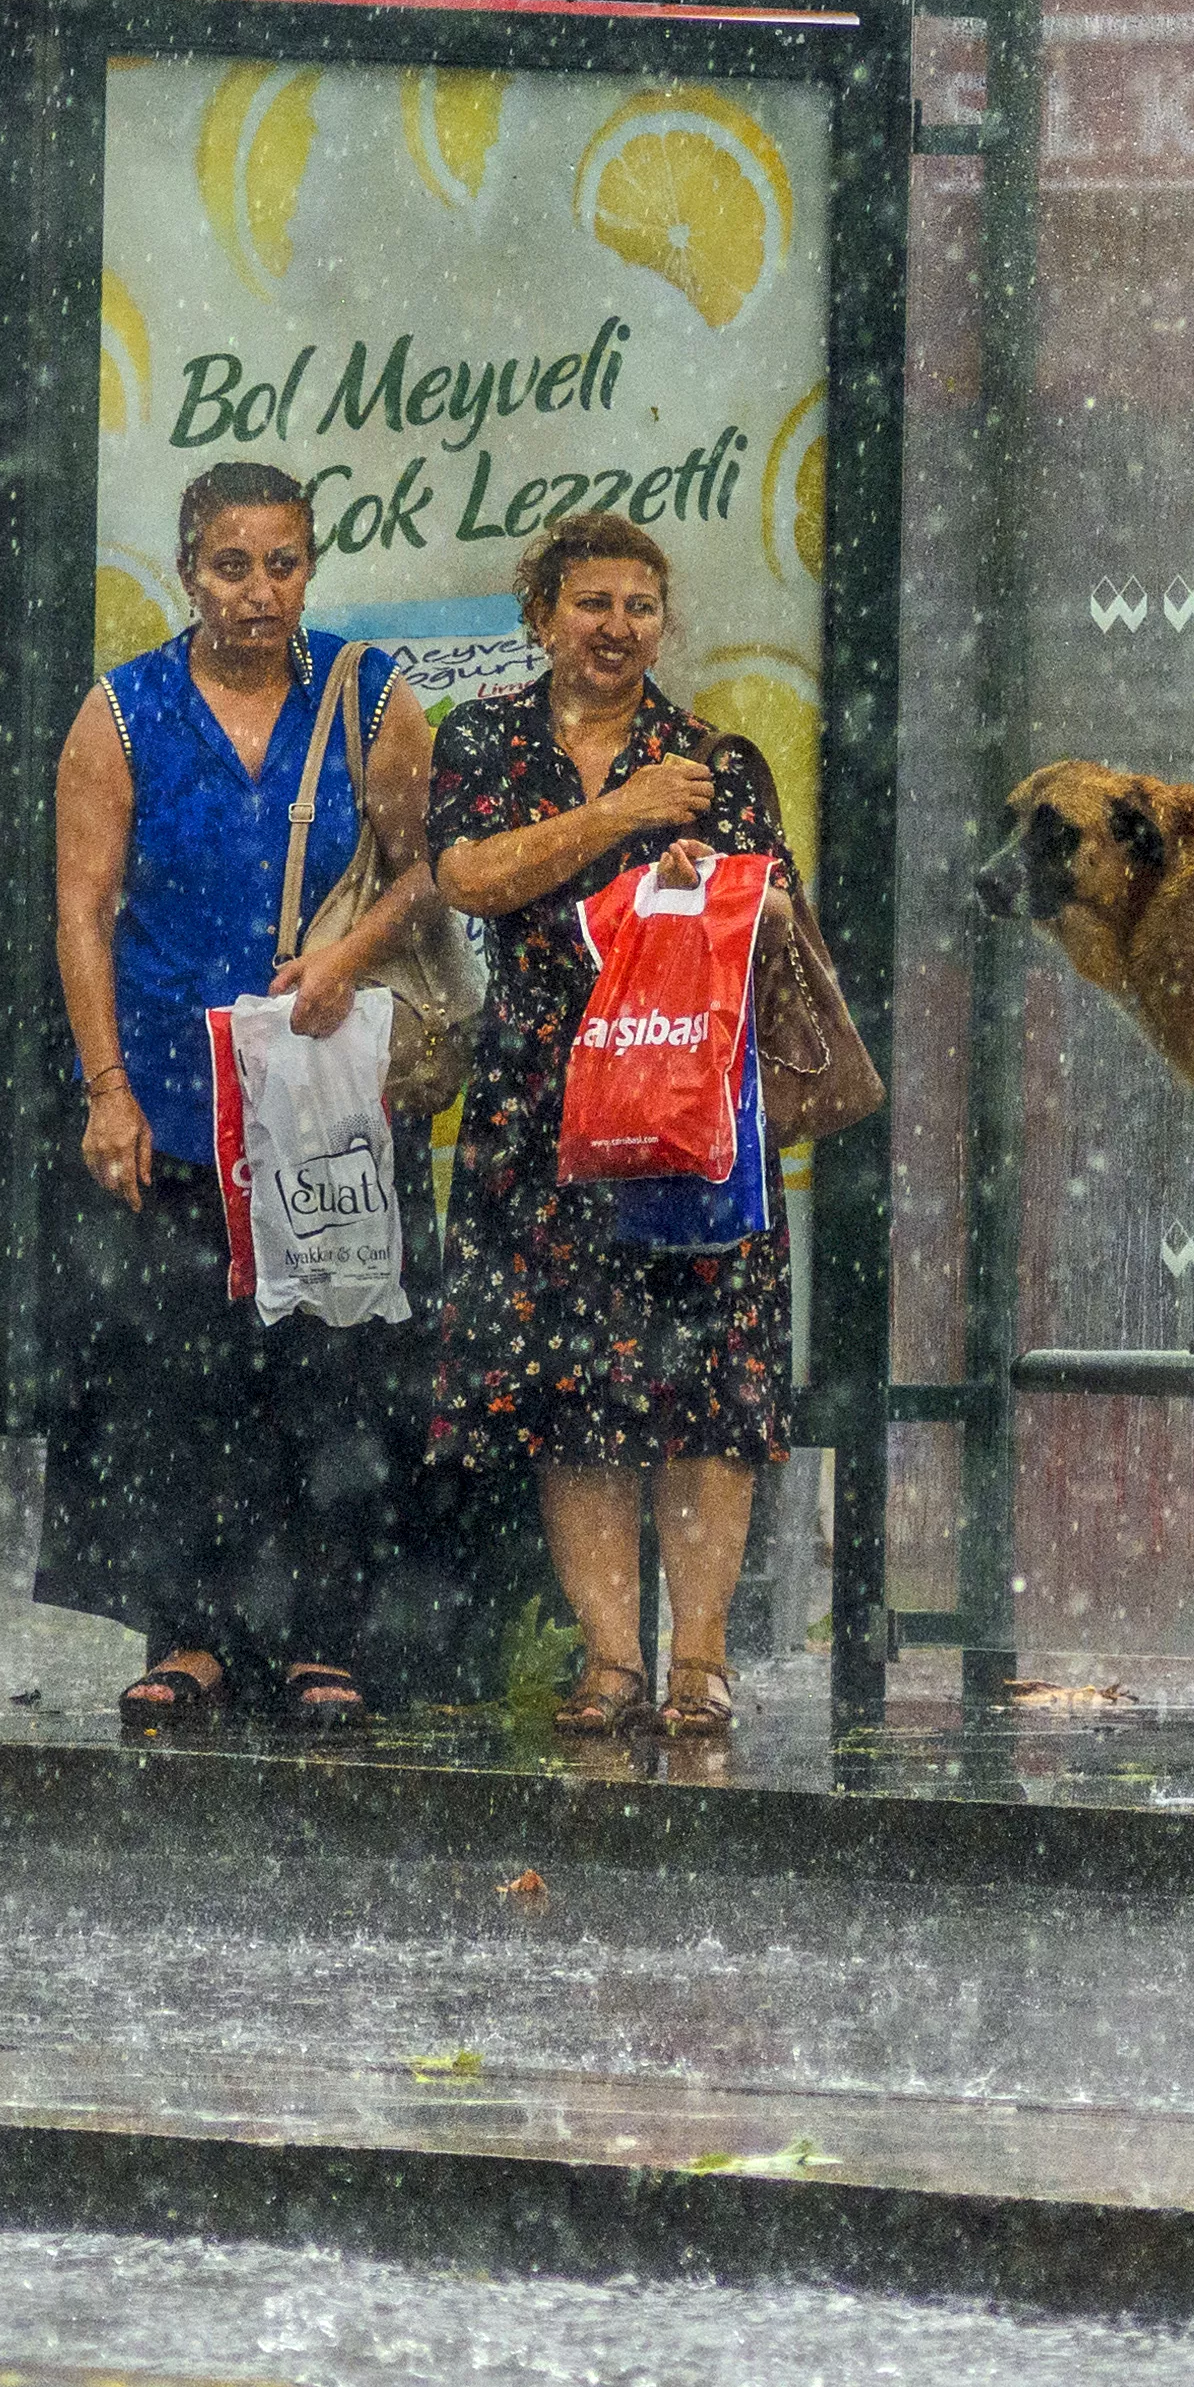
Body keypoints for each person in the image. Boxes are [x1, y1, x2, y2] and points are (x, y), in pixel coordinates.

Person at [42, 460, 456, 1731]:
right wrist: (107, 1086)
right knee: (181, 1376)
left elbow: (430, 869)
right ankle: (196, 1633)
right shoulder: (121, 712)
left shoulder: (368, 695)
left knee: (332, 1369)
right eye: (233, 565)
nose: (259, 591)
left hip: (323, 1096)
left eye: (282, 563)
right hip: (174, 1096)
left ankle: (326, 1631)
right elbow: (85, 906)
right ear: (187, 571)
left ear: (311, 569)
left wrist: (345, 955)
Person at [425, 513, 792, 1742]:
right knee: (569, 1391)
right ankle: (610, 1661)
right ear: (542, 614)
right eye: (593, 601)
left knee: (704, 1392)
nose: (617, 626)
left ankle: (701, 1660)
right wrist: (623, 816)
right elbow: (471, 876)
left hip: (683, 1102)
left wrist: (709, 882)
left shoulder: (717, 759)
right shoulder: (486, 736)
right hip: (542, 1103)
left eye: (640, 604)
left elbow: (773, 922)